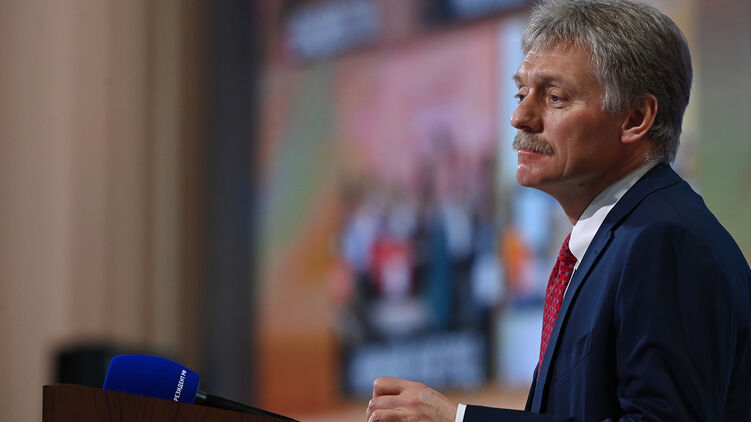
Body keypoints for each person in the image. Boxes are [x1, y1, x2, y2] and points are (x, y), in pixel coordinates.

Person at [365, 0, 751, 420]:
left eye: (554, 97)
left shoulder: (663, 241)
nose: (520, 117)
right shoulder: (617, 242)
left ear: (635, 118)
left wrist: (458, 420)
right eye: (520, 94)